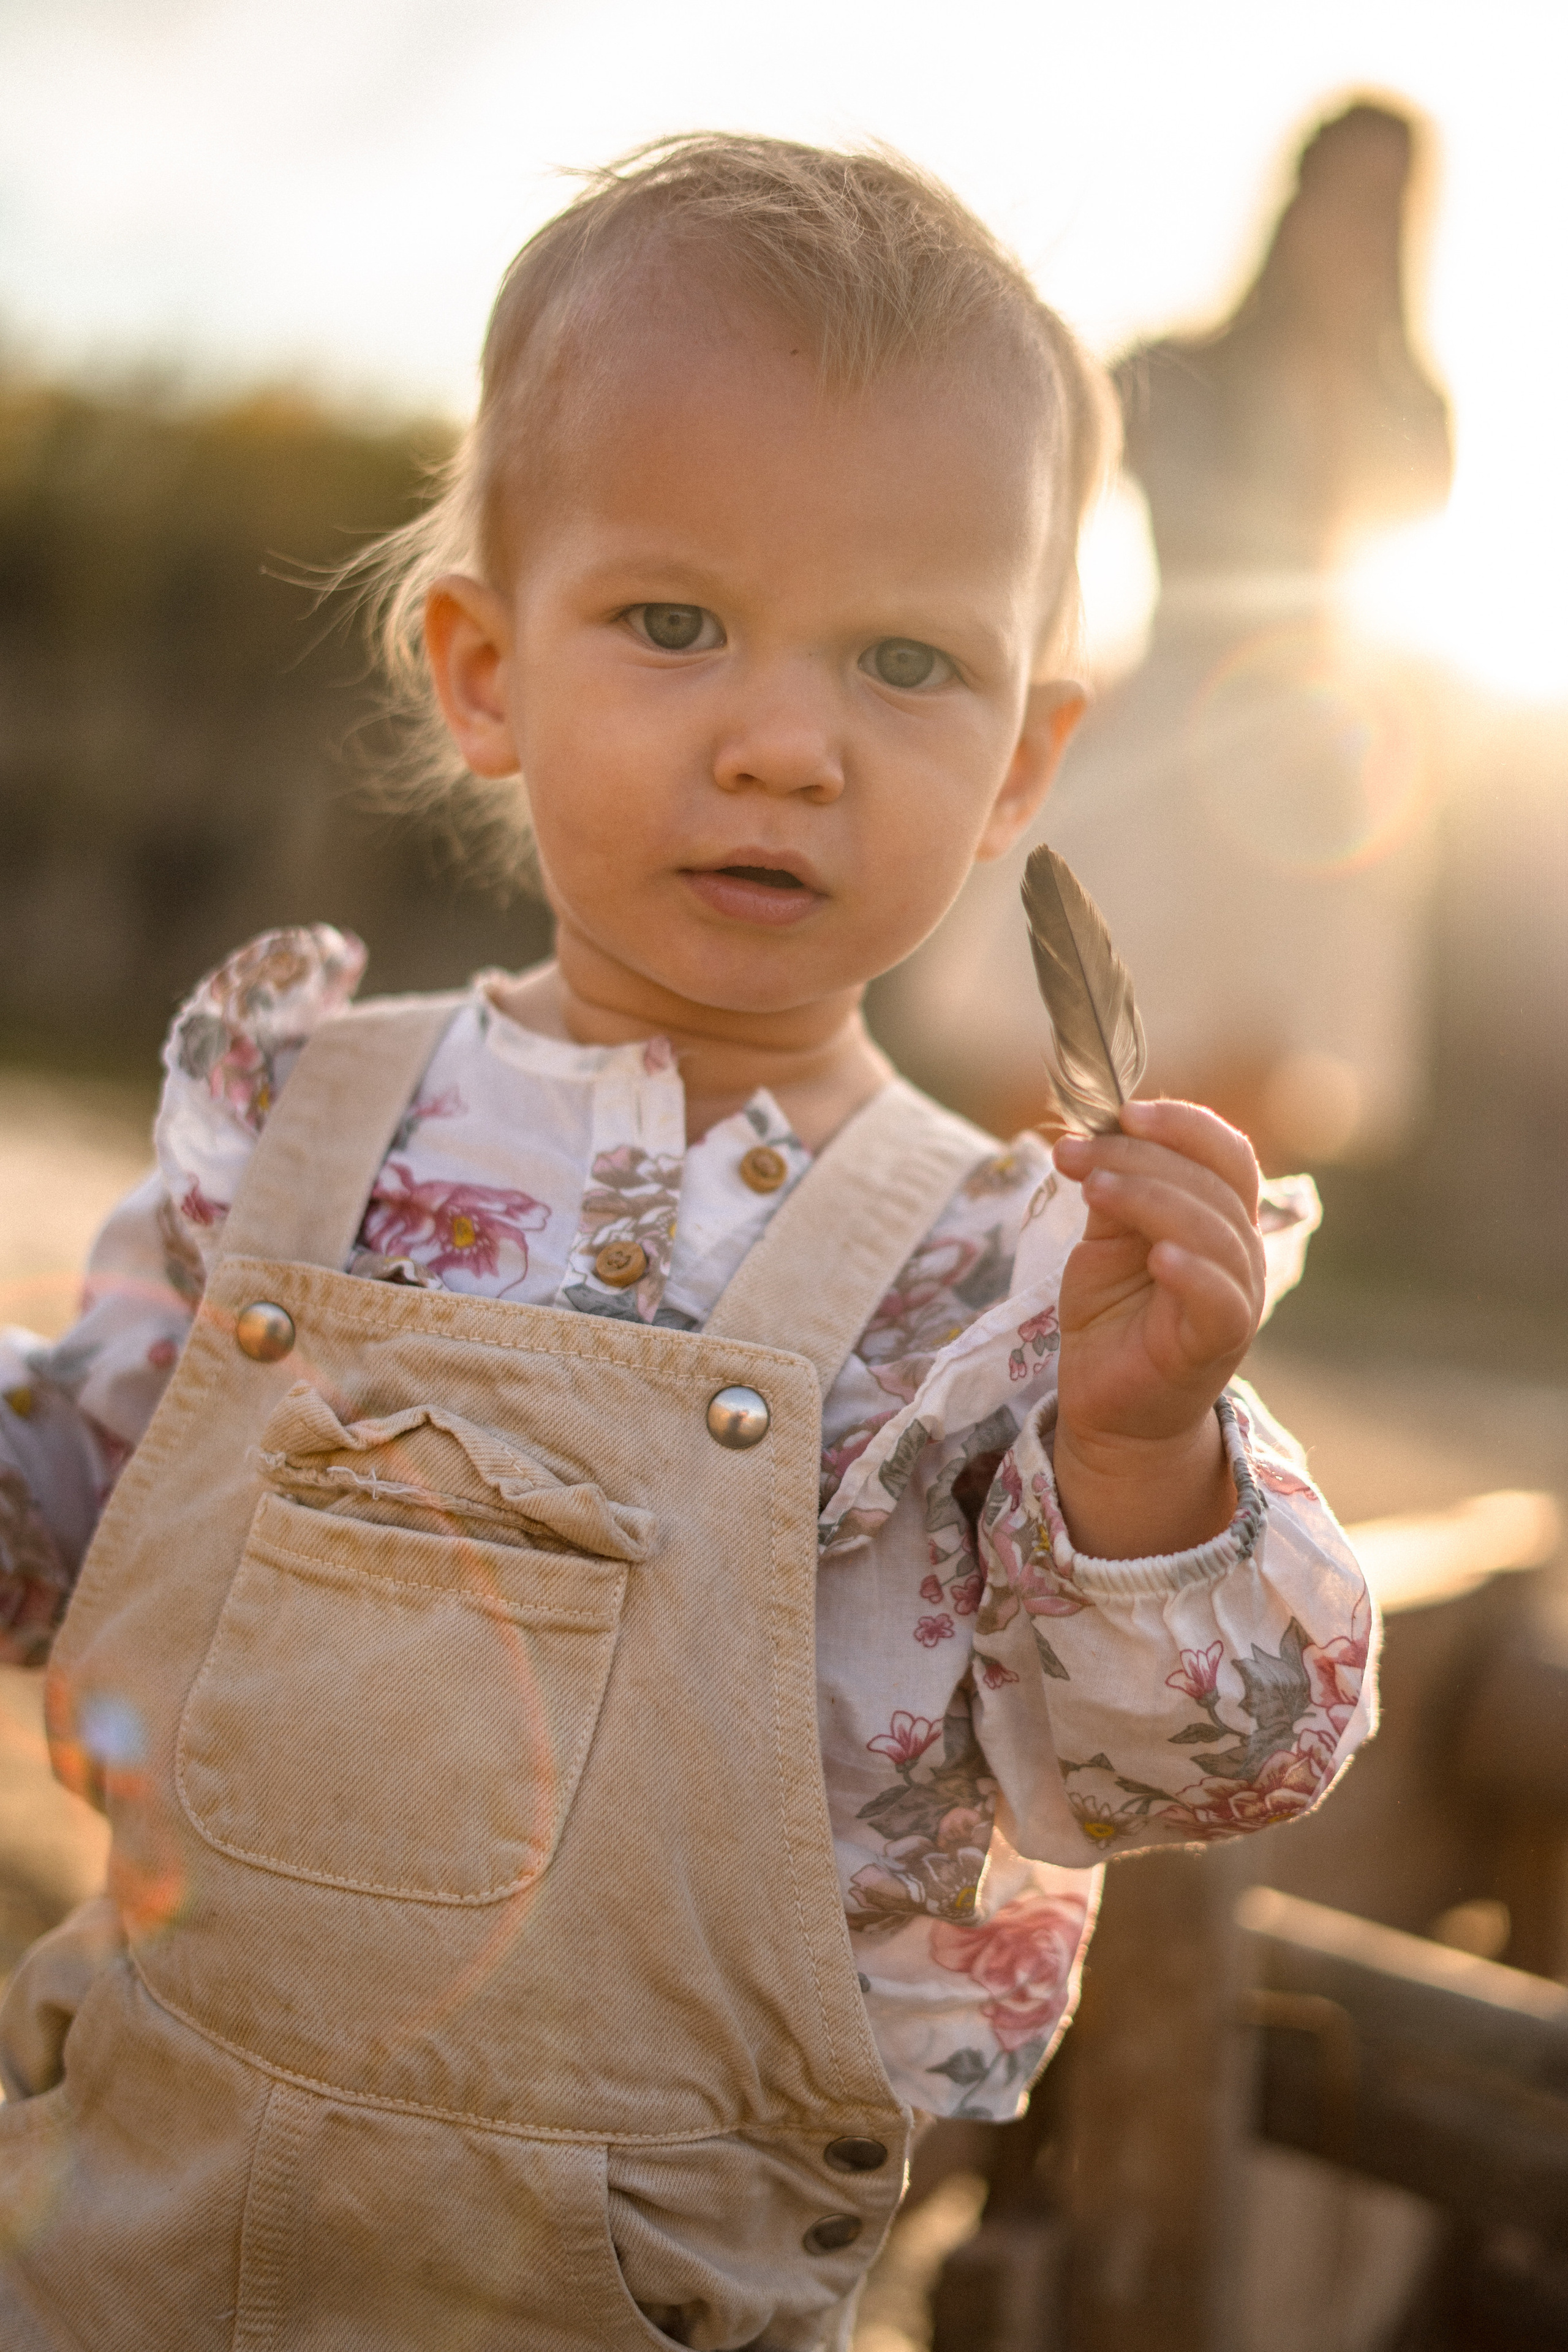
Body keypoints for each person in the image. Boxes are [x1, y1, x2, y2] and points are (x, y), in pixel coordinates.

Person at [0, 137, 1373, 2351]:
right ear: (481, 670)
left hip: (629, 2291)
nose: (784, 745)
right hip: (108, 2235)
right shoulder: (299, 1116)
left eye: (905, 661)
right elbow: (90, 1501)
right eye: (671, 622)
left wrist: (1139, 1465)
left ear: (1023, 762)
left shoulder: (1011, 1277)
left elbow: (1176, 1765)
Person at [881, 99, 1451, 1168]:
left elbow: (1360, 538)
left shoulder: (1411, 408)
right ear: (1301, 197)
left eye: (1387, 203)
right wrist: (1049, 666)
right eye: (1346, 194)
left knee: (1261, 1052)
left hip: (1317, 741)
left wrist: (1336, 365)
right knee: (1070, 1024)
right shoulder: (1177, 368)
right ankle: (1019, 1269)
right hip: (1171, 713)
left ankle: (1176, 1293)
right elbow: (1043, 519)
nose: (1359, 225)